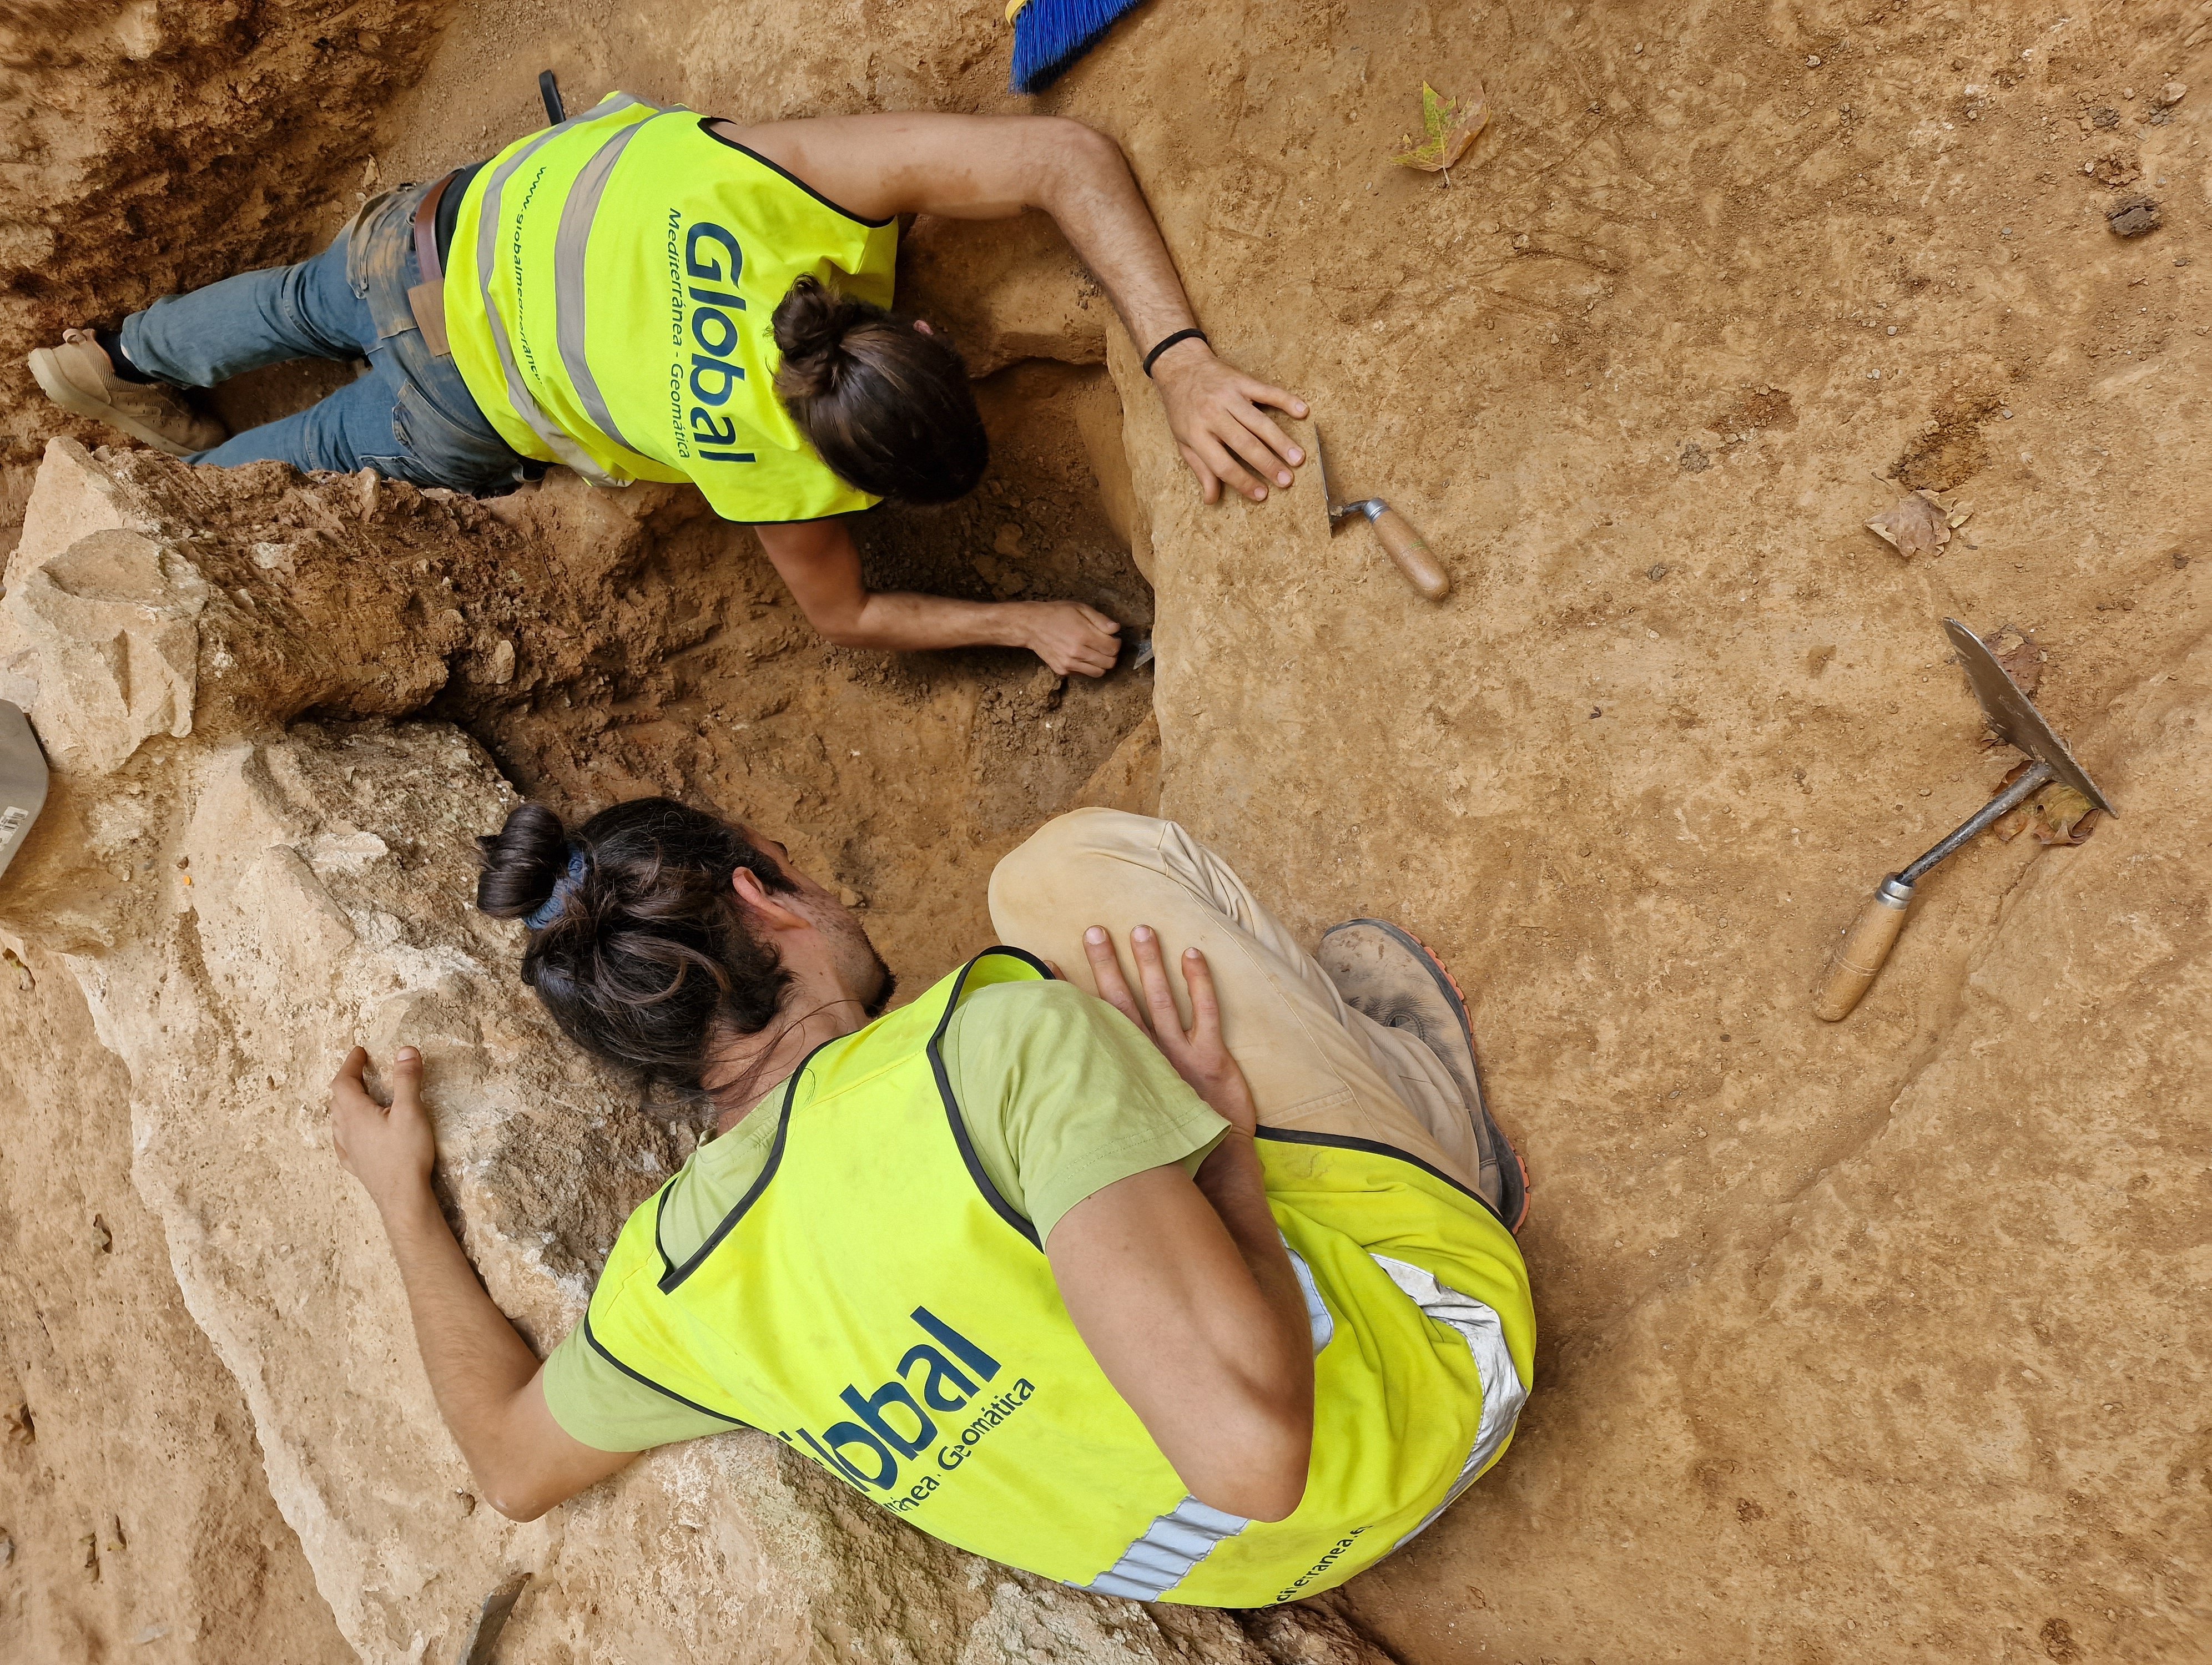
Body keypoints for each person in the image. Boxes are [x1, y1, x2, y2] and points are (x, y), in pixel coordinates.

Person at [328, 801, 1534, 1606]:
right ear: (766, 901)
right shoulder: (994, 1045)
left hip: (1264, 1574)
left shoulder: (676, 1282)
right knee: (1065, 878)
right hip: (1437, 1389)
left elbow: (507, 1461)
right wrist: (1220, 1160)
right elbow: (1253, 1460)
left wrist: (402, 1200)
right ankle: (1427, 1109)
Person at [27, 101, 1311, 678]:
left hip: (432, 232)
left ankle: (120, 360)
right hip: (457, 403)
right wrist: (1025, 619)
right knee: (304, 456)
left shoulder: (785, 189)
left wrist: (1175, 358)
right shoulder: (772, 471)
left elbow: (1053, 154)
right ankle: (151, 505)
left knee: (301, 302)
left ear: (911, 323)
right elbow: (844, 619)